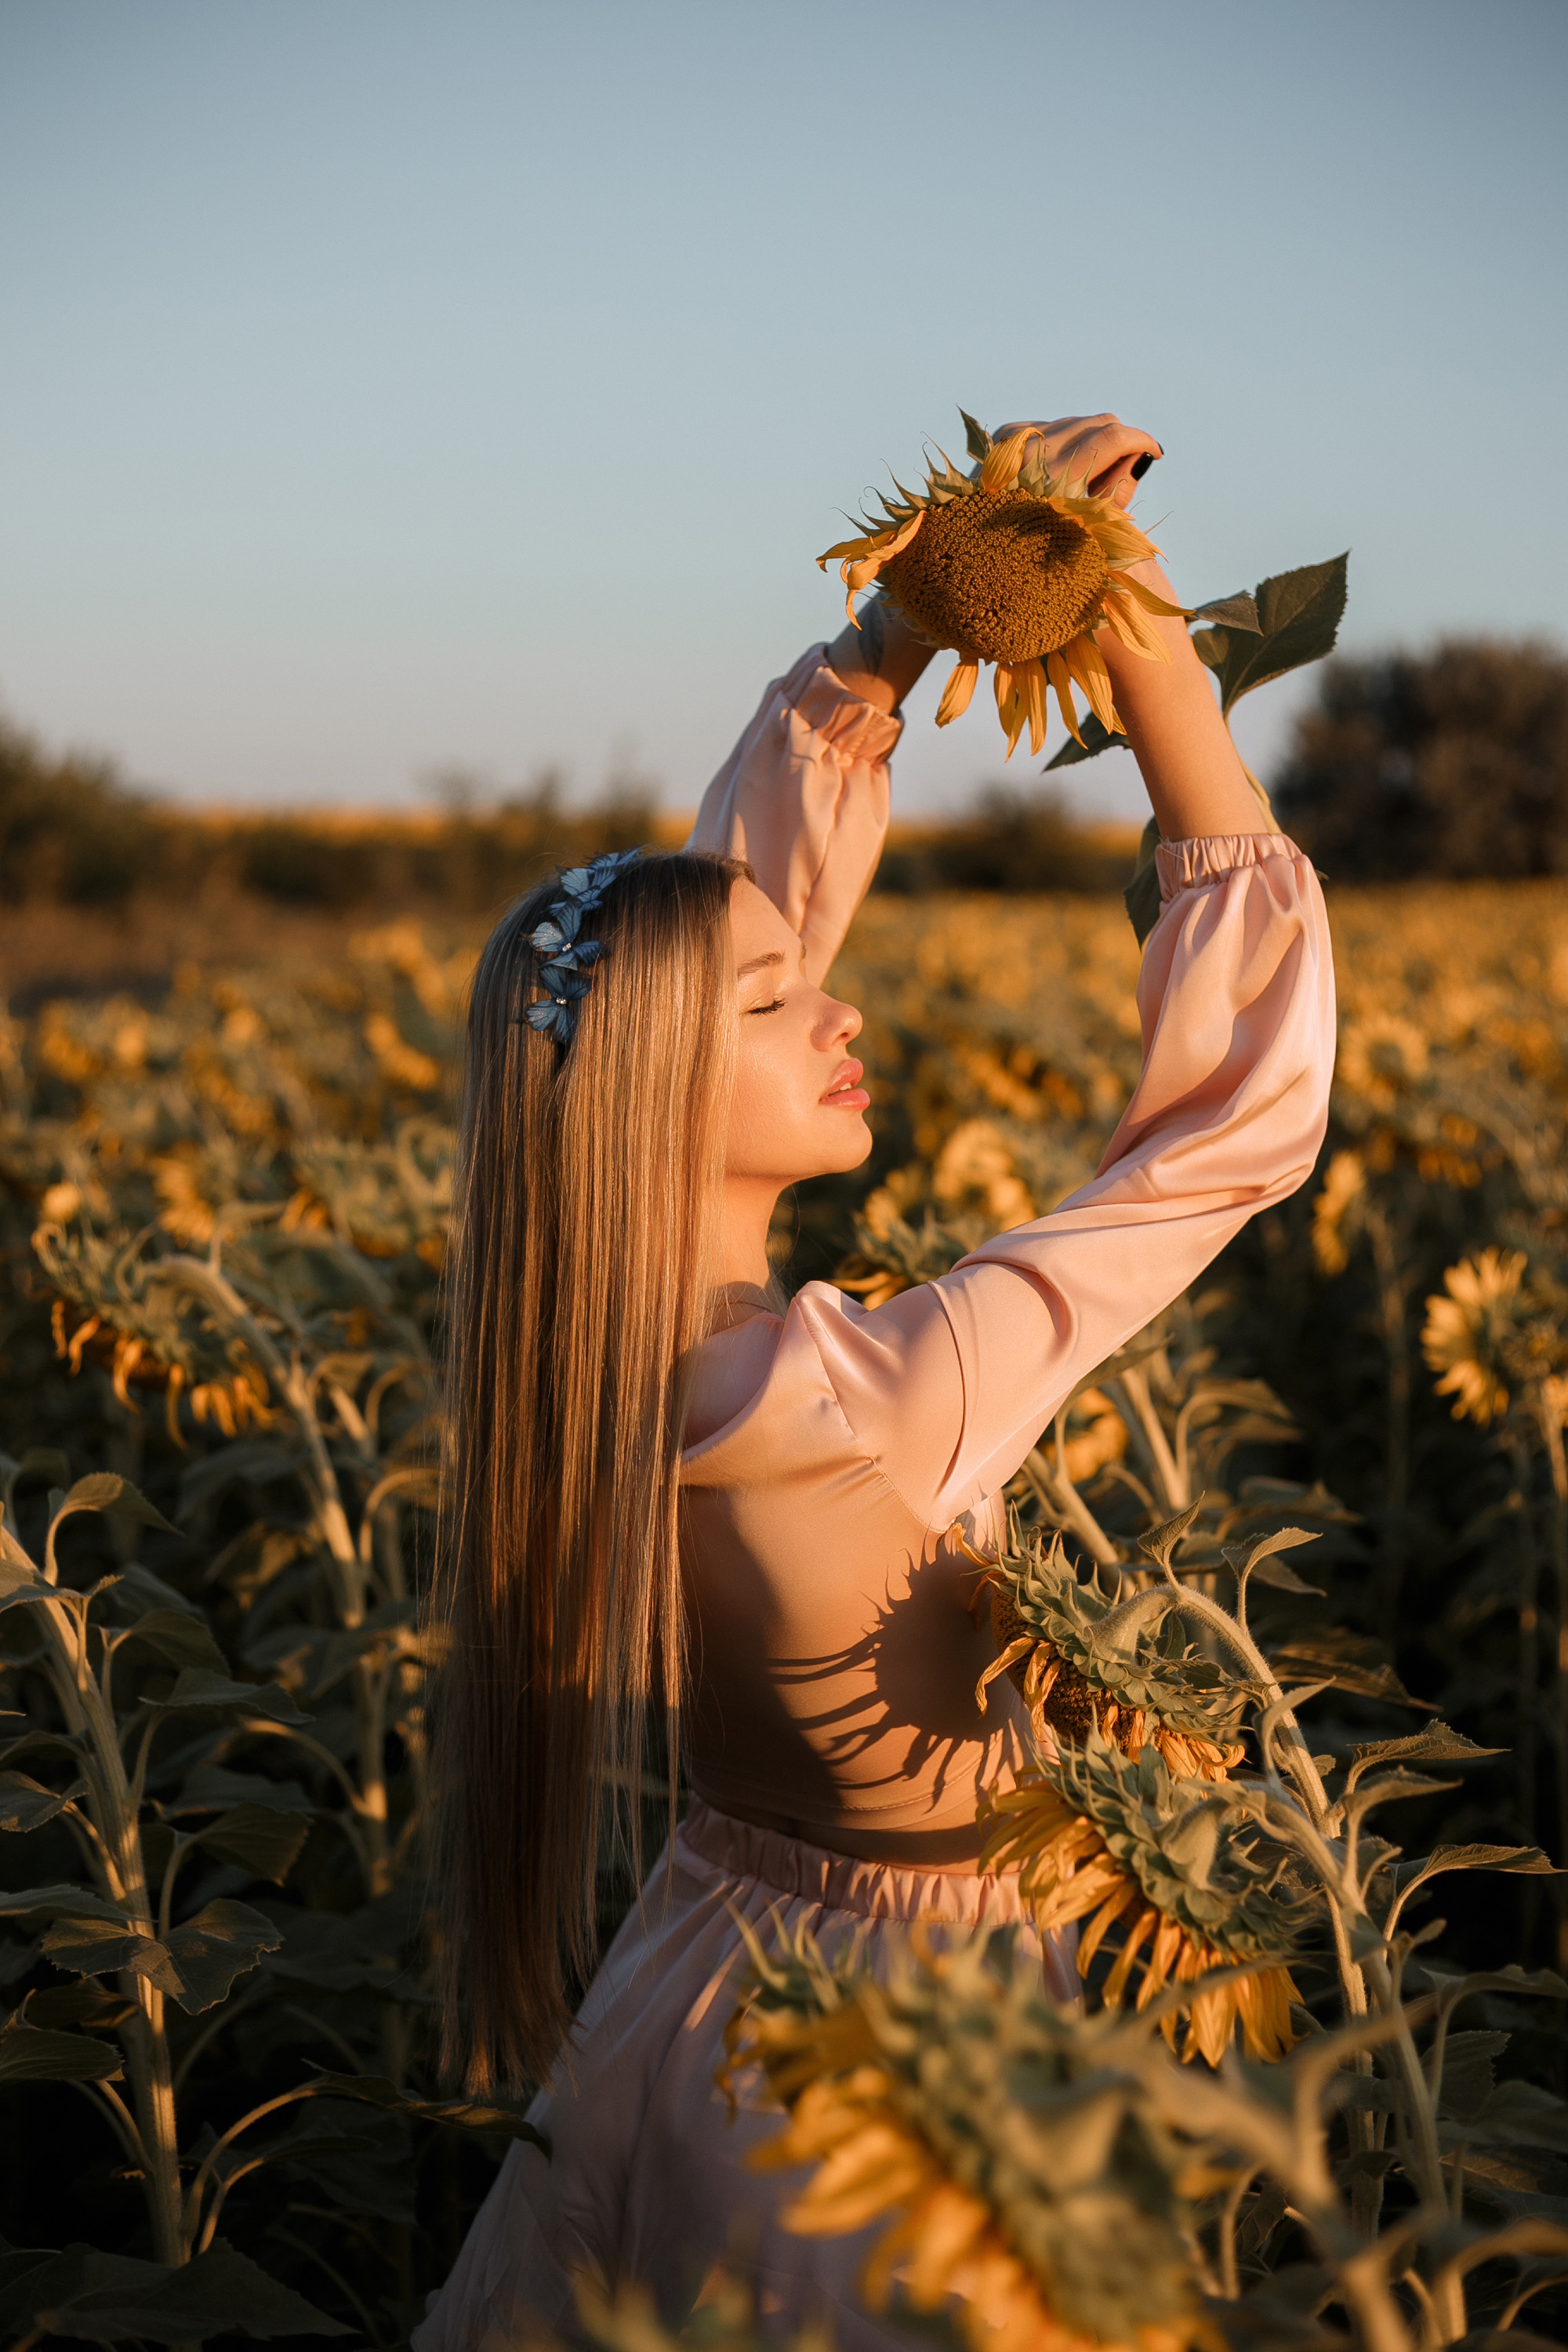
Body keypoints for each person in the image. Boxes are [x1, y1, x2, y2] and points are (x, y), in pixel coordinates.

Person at [415, 413, 1336, 2350]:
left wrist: (899, 634)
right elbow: (1229, 1133)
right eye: (780, 1009)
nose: (837, 1003)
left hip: (704, 1986)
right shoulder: (879, 1396)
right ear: (666, 1092)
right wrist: (1161, 678)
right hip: (928, 2048)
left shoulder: (571, 1362)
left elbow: (696, 949)